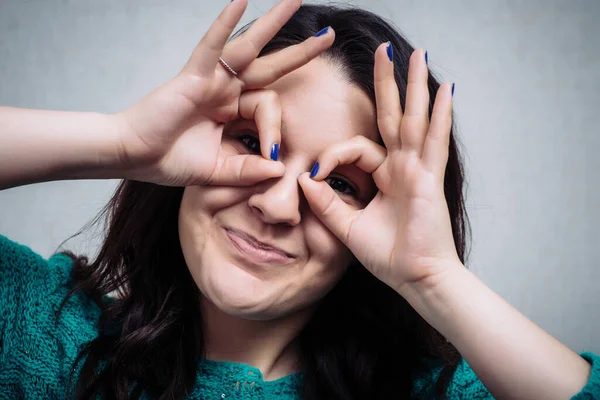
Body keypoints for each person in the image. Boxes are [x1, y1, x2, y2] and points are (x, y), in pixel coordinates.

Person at [0, 0, 598, 398]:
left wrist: (432, 275)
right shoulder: (46, 338)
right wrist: (121, 141)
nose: (279, 207)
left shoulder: (427, 391)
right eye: (253, 143)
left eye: (339, 184)